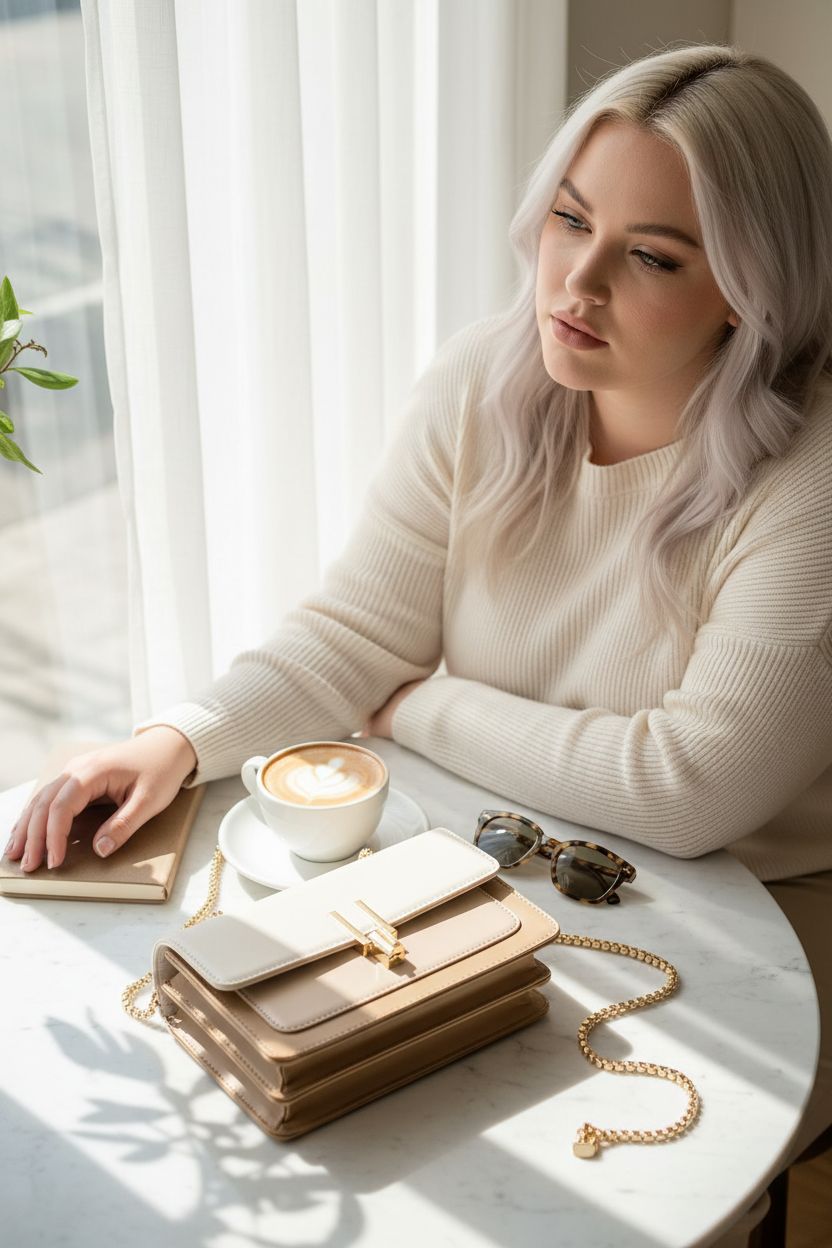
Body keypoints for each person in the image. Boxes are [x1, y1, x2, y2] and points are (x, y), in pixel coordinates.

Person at [6, 42, 832, 1244]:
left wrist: (420, 707)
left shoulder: (806, 487)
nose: (575, 283)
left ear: (753, 289)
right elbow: (356, 631)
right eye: (566, 220)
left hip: (761, 927)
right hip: (504, 859)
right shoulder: (486, 384)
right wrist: (176, 742)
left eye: (649, 256)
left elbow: (688, 786)